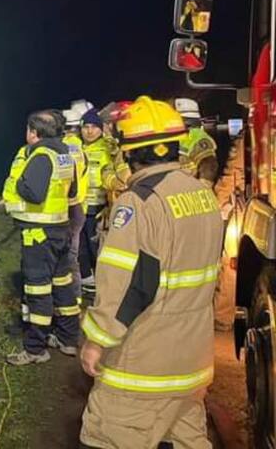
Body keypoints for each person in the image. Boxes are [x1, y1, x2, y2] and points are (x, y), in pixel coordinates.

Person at [79, 96, 223, 449]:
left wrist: (97, 341)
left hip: (144, 366)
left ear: (130, 153)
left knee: (110, 438)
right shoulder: (203, 196)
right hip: (192, 362)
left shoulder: (138, 203)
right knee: (188, 439)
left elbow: (127, 285)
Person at [2, 110, 80, 364]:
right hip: (60, 229)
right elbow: (73, 191)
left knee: (38, 290)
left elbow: (34, 193)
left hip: (39, 233)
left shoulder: (41, 156)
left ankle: (35, 348)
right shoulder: (64, 154)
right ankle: (68, 339)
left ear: (33, 132)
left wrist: (18, 182)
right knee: (63, 285)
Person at [79, 109, 121, 293]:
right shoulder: (77, 148)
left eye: (94, 127)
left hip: (99, 207)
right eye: (86, 127)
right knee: (80, 246)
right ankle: (87, 281)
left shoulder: (108, 148)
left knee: (97, 245)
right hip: (79, 206)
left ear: (101, 129)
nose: (89, 131)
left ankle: (105, 282)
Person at [62, 106, 89, 305]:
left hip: (68, 207)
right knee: (73, 255)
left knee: (66, 257)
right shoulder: (81, 148)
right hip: (80, 206)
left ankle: (70, 298)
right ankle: (76, 297)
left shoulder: (64, 149)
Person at [174, 98, 218, 188]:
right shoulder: (176, 135)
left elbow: (209, 166)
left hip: (188, 188)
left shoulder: (197, 136)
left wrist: (203, 189)